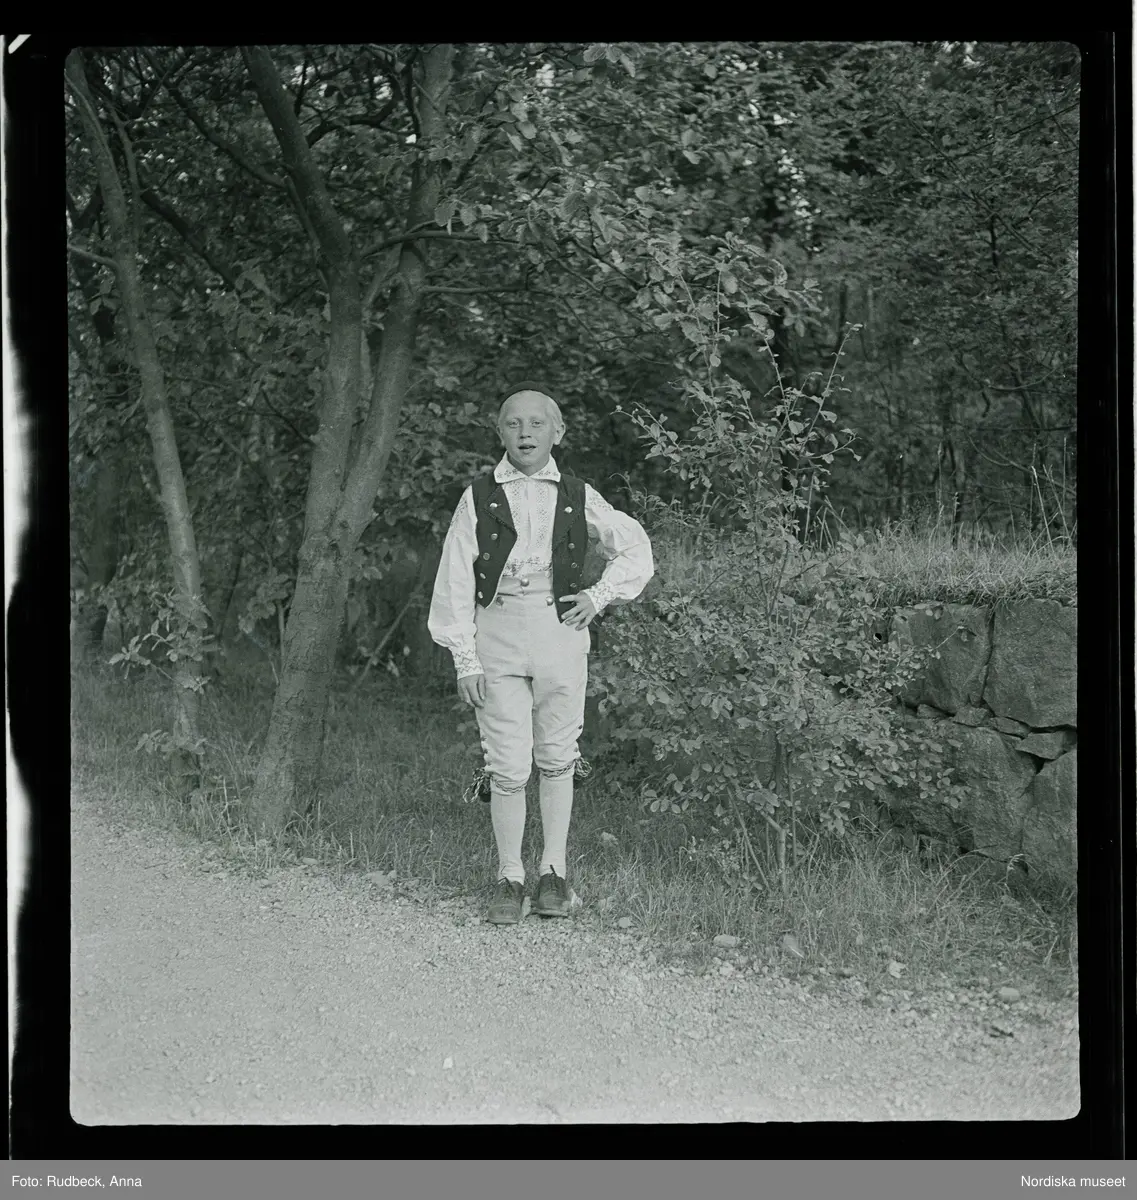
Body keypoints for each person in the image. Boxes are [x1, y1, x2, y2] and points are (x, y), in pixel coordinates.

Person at [428, 383, 654, 925]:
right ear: (500, 432)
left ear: (558, 432)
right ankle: (509, 877)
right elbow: (455, 576)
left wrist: (597, 596)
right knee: (507, 761)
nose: (525, 433)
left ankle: (554, 872)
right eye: (513, 423)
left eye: (536, 423)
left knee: (557, 752)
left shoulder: (576, 494)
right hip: (497, 630)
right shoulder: (478, 496)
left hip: (559, 630)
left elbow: (634, 547)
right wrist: (465, 657)